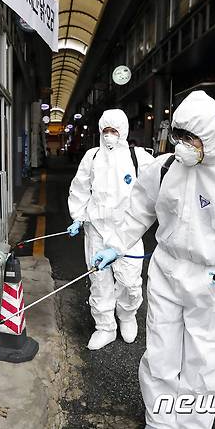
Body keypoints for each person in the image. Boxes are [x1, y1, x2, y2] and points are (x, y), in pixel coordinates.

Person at [92, 91, 215, 428]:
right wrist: (114, 244)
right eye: (179, 135)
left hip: (212, 281)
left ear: (211, 138)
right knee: (160, 355)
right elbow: (137, 213)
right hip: (165, 272)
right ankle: (160, 422)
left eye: (192, 138)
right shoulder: (163, 169)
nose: (183, 145)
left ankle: (194, 424)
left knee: (203, 363)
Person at [67, 109, 154, 350]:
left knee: (130, 282)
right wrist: (78, 217)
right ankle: (104, 327)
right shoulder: (92, 156)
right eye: (105, 131)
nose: (109, 136)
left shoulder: (138, 158)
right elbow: (80, 189)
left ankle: (126, 316)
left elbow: (157, 189)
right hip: (97, 232)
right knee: (99, 281)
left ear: (123, 131)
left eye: (114, 131)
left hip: (128, 234)